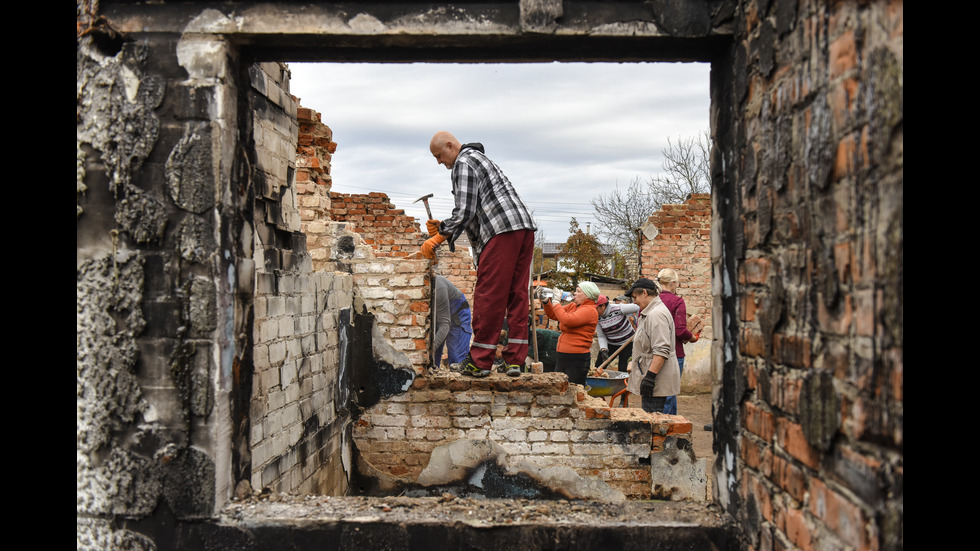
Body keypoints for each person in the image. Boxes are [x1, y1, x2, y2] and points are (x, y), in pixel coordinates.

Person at [421, 131, 536, 378]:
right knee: (517, 295)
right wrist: (445, 228)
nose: (439, 162)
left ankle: (480, 361)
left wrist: (439, 235)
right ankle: (515, 360)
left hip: (501, 231)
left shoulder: (462, 163)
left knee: (489, 295)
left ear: (450, 146)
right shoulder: (480, 159)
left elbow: (464, 210)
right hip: (523, 228)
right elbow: (473, 210)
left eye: (439, 155)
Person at [624, 278, 680, 414]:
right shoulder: (649, 312)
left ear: (644, 293)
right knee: (652, 418)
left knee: (653, 421)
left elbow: (661, 350)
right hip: (652, 375)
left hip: (657, 379)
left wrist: (650, 378)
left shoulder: (656, 315)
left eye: (635, 297)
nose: (635, 302)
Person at [541, 282, 600, 386]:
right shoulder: (573, 306)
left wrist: (556, 302)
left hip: (577, 358)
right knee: (559, 387)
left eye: (578, 291)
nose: (575, 293)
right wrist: (546, 301)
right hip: (563, 355)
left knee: (572, 389)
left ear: (587, 295)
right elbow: (553, 314)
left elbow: (567, 320)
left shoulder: (589, 310)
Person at [656, 268, 695, 415]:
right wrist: (692, 337)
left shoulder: (652, 300)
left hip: (654, 352)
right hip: (674, 352)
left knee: (658, 391)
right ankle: (667, 427)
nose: (676, 286)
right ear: (672, 283)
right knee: (669, 391)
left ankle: (670, 426)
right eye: (676, 283)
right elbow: (680, 330)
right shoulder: (677, 301)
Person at [432, 275, 472, 368]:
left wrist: (429, 351)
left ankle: (459, 379)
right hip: (438, 315)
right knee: (433, 361)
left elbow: (445, 325)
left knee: (456, 358)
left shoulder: (438, 288)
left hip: (458, 314)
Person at [594, 294, 641, 372]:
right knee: (598, 366)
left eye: (596, 308)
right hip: (611, 343)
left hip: (628, 342)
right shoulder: (597, 316)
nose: (594, 311)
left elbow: (638, 308)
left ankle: (623, 383)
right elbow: (601, 335)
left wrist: (640, 323)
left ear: (603, 306)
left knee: (623, 368)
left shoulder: (619, 308)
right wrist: (604, 349)